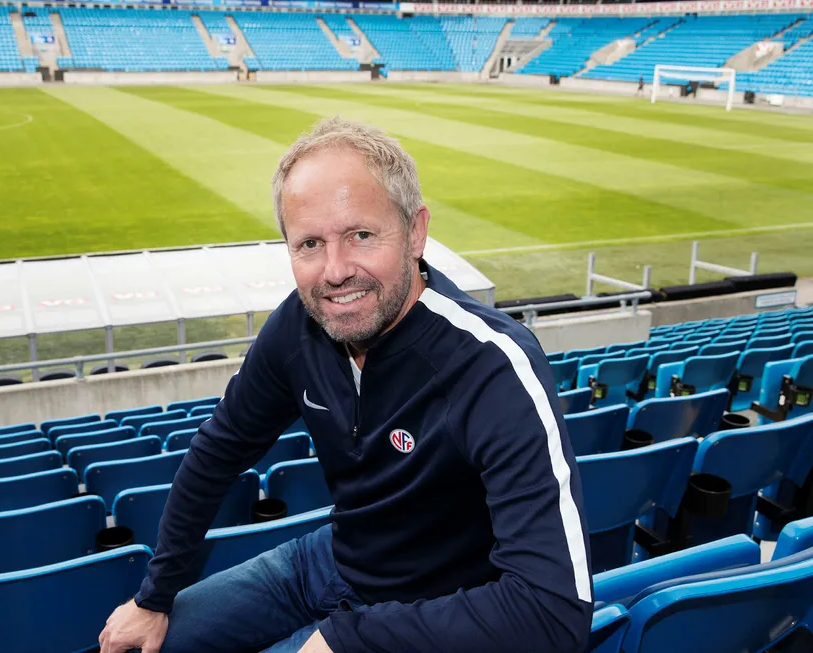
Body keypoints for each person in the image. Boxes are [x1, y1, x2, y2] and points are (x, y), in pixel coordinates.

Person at [98, 117, 593, 653]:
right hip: (334, 558)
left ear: (416, 232)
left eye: (360, 235)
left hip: (435, 609)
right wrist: (154, 596)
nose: (335, 272)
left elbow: (553, 613)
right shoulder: (298, 327)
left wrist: (348, 641)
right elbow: (216, 453)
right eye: (309, 244)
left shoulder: (492, 365)